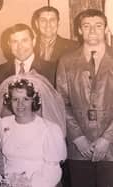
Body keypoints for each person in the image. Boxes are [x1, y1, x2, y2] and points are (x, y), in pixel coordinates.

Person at [56, 9, 113, 187]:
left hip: (111, 147)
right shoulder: (66, 61)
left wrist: (107, 139)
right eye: (87, 26)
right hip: (79, 147)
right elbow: (61, 102)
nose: (93, 31)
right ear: (79, 30)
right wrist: (78, 137)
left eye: (98, 26)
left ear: (105, 28)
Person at [0, 72, 67, 187]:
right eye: (15, 99)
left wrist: (30, 184)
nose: (20, 104)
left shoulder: (49, 129)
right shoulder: (2, 124)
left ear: (34, 101)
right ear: (9, 101)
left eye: (26, 99)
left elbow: (52, 170)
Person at [0, 23, 56, 88]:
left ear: (33, 42)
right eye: (15, 41)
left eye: (24, 40)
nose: (20, 47)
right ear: (9, 45)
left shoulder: (52, 71)